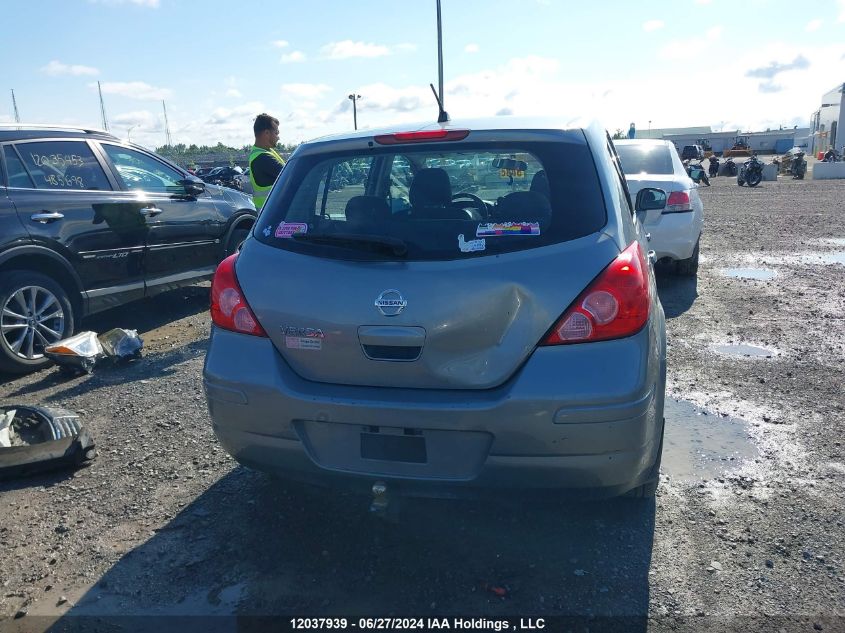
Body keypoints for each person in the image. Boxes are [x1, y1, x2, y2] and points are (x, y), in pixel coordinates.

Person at [249, 113, 286, 210]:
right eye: (276, 133)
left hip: (272, 214)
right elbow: (291, 176)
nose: (278, 137)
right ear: (266, 133)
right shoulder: (262, 158)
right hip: (273, 215)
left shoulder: (266, 151)